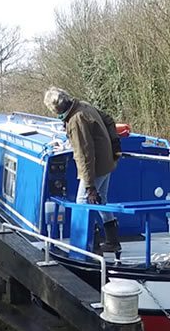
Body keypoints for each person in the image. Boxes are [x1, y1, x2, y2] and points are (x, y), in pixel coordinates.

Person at [43, 87, 121, 253]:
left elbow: (83, 154)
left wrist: (90, 186)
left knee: (82, 202)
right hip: (107, 162)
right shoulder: (84, 106)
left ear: (56, 109)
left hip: (96, 167)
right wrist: (115, 146)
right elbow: (108, 119)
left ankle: (88, 246)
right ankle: (112, 241)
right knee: (102, 201)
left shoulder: (76, 121)